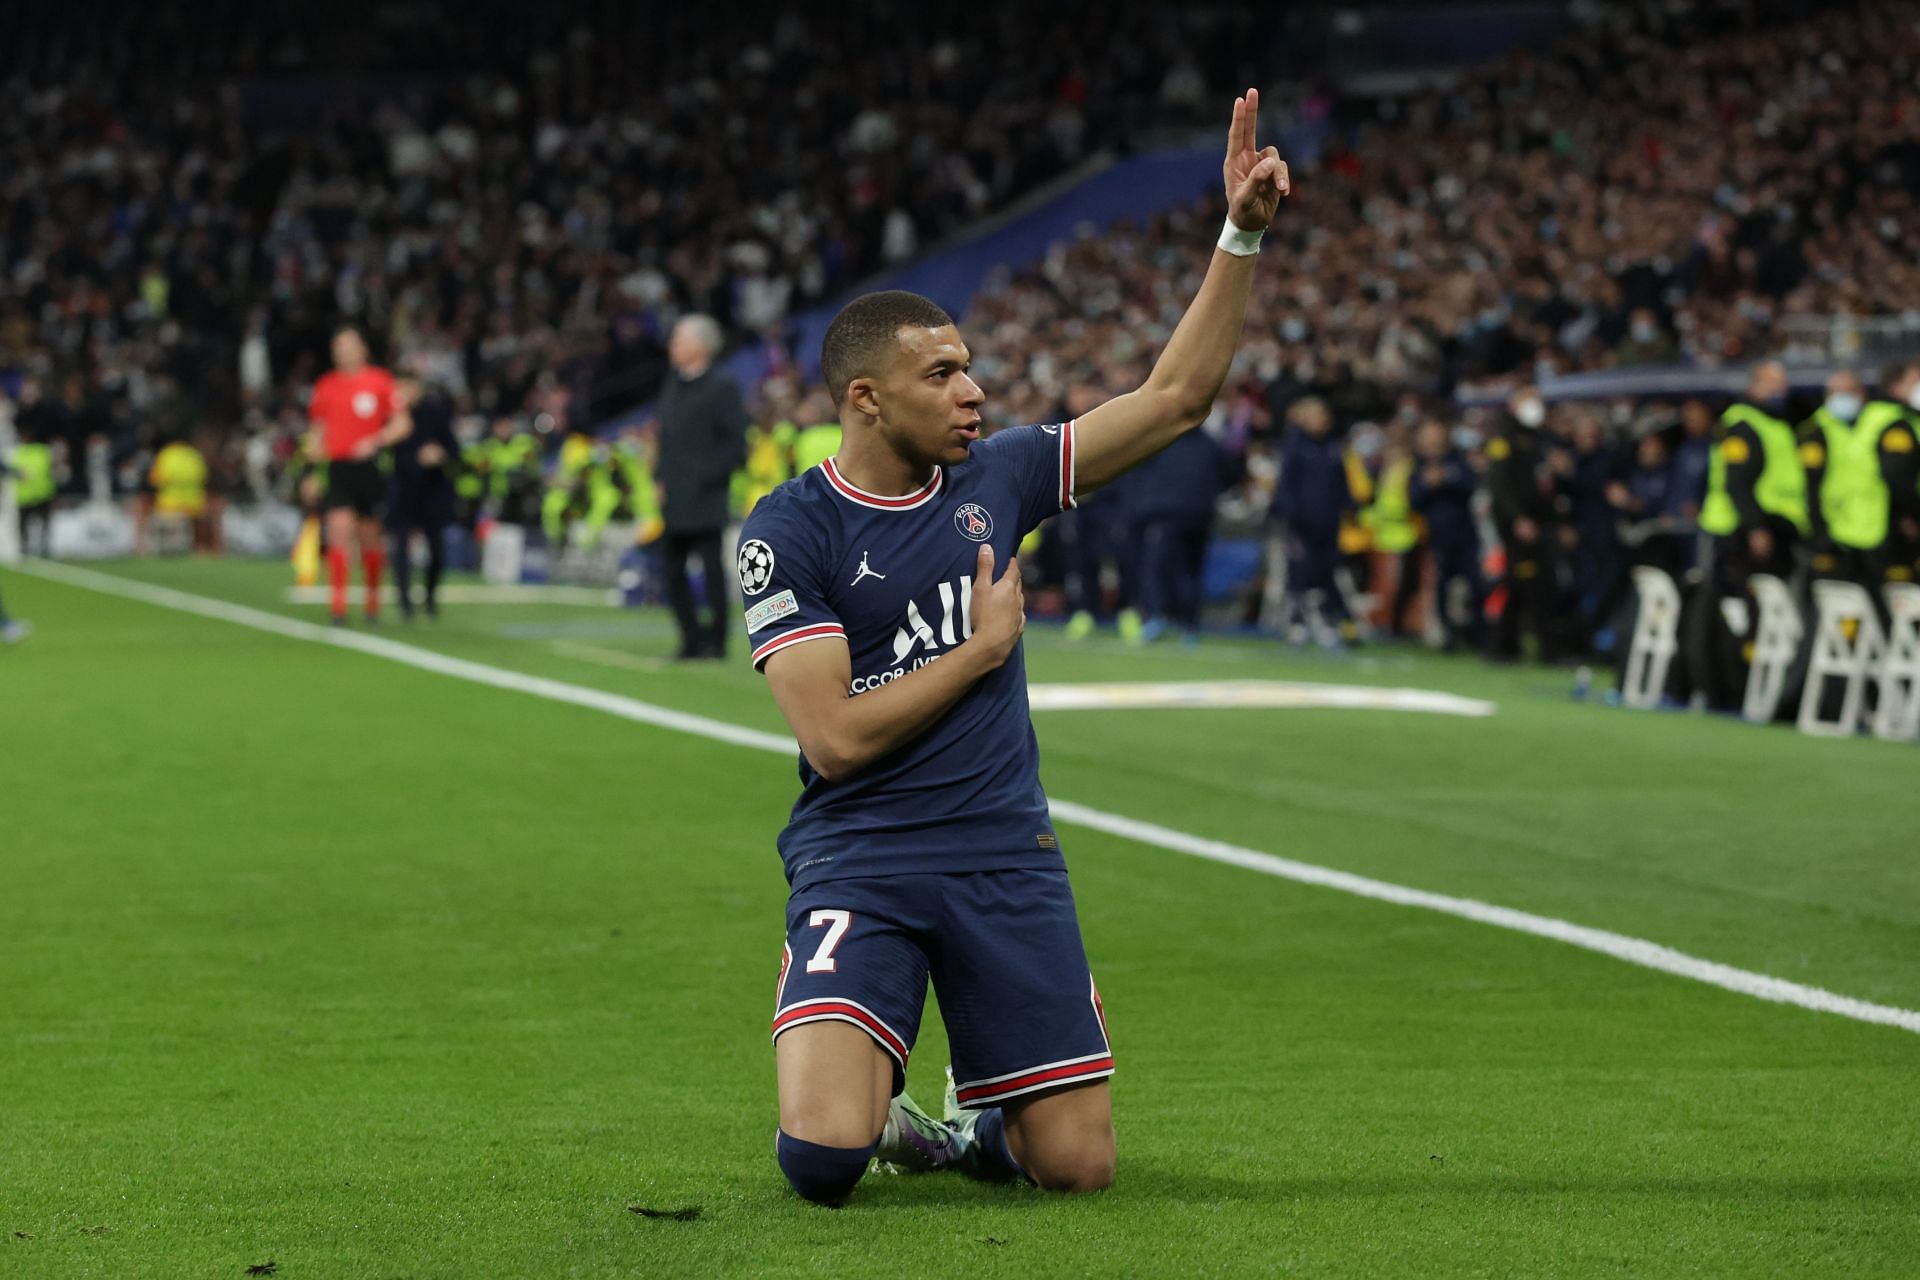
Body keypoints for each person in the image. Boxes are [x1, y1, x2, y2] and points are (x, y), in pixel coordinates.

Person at [738, 91, 1287, 1207]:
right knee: (822, 1160)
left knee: (1077, 1169)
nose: (974, 389)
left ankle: (977, 1124)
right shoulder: (789, 529)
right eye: (941, 374)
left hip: (1003, 851)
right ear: (865, 397)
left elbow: (1176, 398)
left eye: (970, 366)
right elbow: (836, 739)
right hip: (864, 852)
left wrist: (1241, 234)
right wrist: (979, 654)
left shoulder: (1003, 475)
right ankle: (871, 1080)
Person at [1688, 360, 1807, 709]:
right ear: (1755, 383)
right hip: (1736, 535)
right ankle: (1726, 691)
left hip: (1768, 533)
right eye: (1773, 382)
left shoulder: (1776, 425)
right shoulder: (1742, 424)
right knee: (1736, 615)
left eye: (1783, 383)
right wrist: (1755, 528)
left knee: (1755, 616)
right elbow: (1737, 482)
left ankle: (1750, 691)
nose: (1780, 389)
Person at [656, 315, 748, 659]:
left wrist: (704, 478)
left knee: (712, 571)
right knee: (671, 570)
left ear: (700, 346)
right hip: (675, 496)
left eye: (679, 339)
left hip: (706, 496)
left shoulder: (722, 386)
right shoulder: (673, 384)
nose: (672, 346)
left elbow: (736, 445)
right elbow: (665, 439)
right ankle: (690, 638)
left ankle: (717, 642)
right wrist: (659, 478)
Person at [308, 327, 412, 625]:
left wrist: (375, 441)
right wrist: (313, 470)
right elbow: (317, 430)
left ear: (362, 349)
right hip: (338, 467)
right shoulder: (326, 385)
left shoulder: (380, 382)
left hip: (370, 467)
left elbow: (402, 424)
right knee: (339, 528)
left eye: (346, 346)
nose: (341, 352)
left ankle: (372, 602)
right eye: (337, 347)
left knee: (370, 537)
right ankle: (338, 605)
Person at [1271, 396, 1355, 646]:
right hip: (1302, 523)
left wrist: (1349, 506)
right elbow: (1286, 484)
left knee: (1326, 571)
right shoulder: (1294, 447)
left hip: (1328, 522)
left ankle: (1329, 620)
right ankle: (1297, 621)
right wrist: (1291, 513)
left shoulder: (1332, 447)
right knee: (1300, 571)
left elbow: (1341, 482)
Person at [1486, 386, 1560, 662]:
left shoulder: (1539, 439)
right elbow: (1500, 486)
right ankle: (1506, 646)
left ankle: (1507, 647)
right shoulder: (1505, 440)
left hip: (1538, 523)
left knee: (1529, 585)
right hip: (1517, 526)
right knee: (1522, 584)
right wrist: (1517, 518)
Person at [1408, 417, 1484, 651]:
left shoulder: (1458, 461)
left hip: (1465, 535)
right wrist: (1428, 485)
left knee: (1476, 584)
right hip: (1437, 537)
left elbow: (1470, 485)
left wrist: (1446, 479)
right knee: (1442, 588)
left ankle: (1480, 634)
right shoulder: (1418, 467)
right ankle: (1447, 636)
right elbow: (1414, 501)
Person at [387, 376, 459, 619]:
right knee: (401, 545)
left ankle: (430, 597)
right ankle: (405, 602)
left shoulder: (434, 413)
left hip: (432, 489)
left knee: (437, 548)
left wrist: (439, 454)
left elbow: (453, 449)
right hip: (404, 487)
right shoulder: (392, 414)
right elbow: (388, 452)